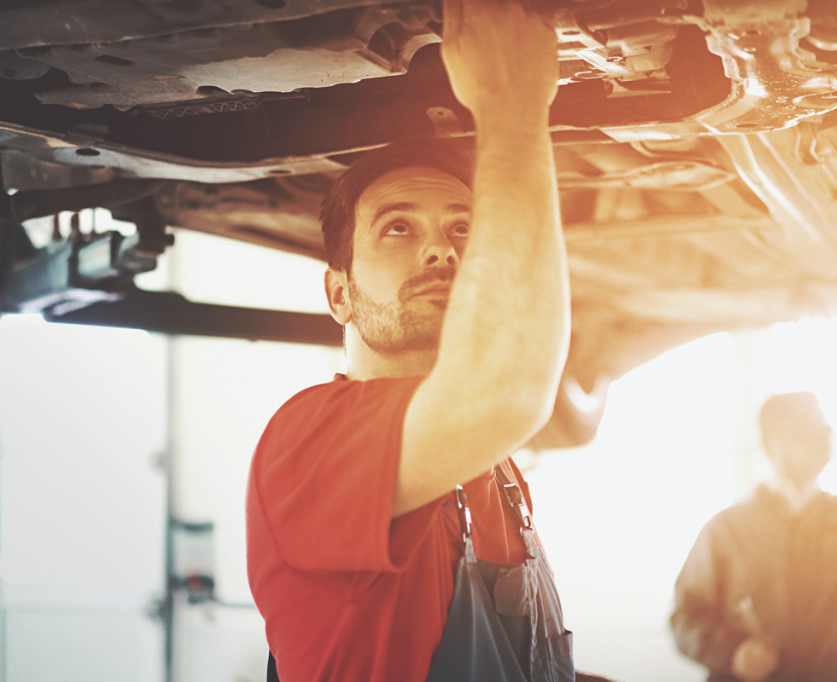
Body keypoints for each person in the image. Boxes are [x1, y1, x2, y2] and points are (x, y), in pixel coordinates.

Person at [244, 1, 607, 680]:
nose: (440, 251)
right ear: (338, 294)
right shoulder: (308, 445)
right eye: (398, 229)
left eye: (463, 230)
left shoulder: (494, 471)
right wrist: (512, 104)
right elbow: (502, 389)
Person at [670, 388, 837, 682]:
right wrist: (731, 653)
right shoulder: (726, 530)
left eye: (826, 424)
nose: (827, 432)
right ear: (775, 442)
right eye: (812, 424)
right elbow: (686, 614)